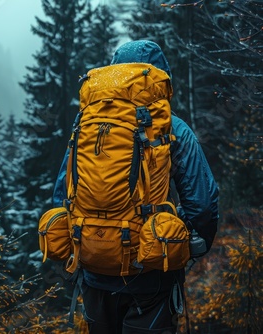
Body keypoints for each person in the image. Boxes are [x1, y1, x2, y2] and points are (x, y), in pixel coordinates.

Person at [52, 40, 219, 334]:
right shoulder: (173, 129)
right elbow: (202, 204)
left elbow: (60, 195)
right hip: (150, 273)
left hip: (93, 268)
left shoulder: (84, 126)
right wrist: (191, 246)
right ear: (161, 79)